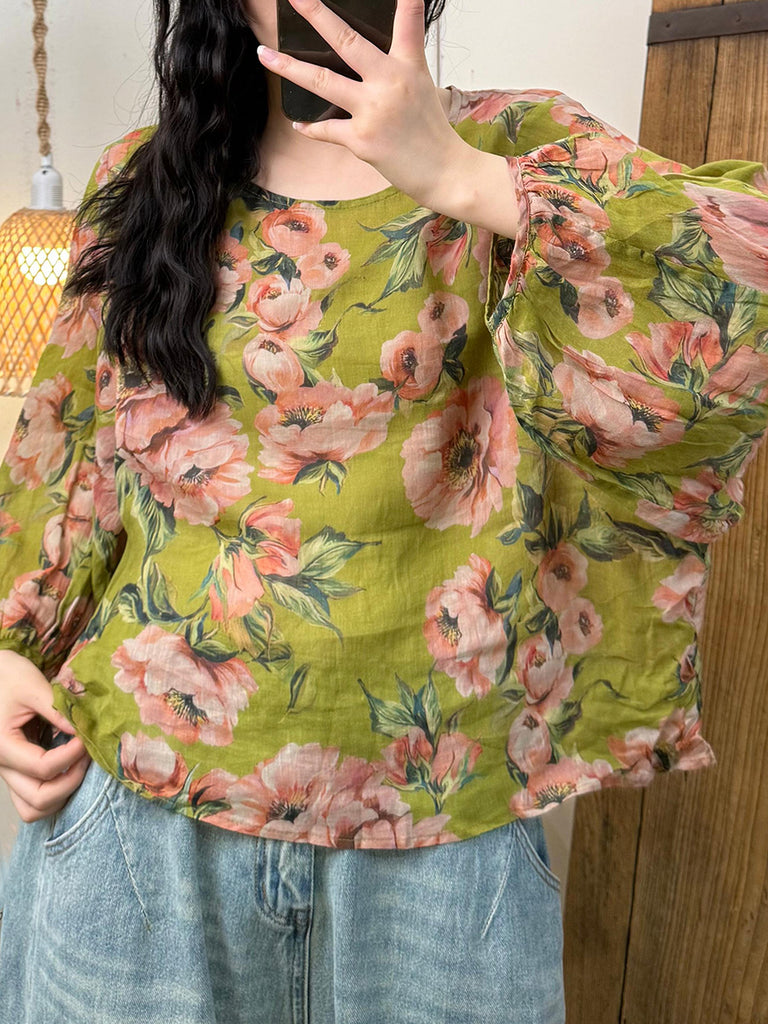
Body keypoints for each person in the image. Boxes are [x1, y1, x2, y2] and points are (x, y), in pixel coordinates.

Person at [1, 0, 768, 1020]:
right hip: (139, 828)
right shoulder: (143, 182)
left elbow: (741, 278)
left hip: (443, 848)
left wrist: (466, 180)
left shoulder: (518, 146)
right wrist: (6, 650)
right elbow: (68, 450)